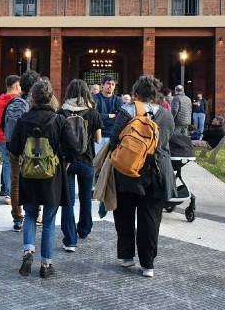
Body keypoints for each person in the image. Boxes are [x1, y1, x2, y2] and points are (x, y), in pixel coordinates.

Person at [110, 75, 175, 278]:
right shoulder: (166, 115)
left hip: (128, 171)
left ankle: (126, 256)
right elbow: (165, 142)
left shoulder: (126, 112)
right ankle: (148, 265)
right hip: (156, 172)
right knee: (150, 219)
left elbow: (113, 140)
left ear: (136, 94)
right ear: (155, 95)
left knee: (124, 214)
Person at [7, 78, 67, 279]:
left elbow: (13, 148)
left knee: (31, 214)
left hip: (29, 175)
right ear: (50, 98)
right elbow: (71, 148)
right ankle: (46, 265)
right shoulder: (59, 120)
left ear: (32, 97)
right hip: (52, 177)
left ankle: (28, 251)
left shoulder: (23, 120)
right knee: (49, 220)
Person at [58, 79, 102, 252]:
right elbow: (98, 138)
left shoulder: (62, 112)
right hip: (87, 160)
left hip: (67, 162)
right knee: (85, 198)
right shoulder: (92, 113)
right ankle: (84, 229)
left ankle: (70, 240)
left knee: (67, 201)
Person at [4, 70, 41, 231]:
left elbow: (2, 124)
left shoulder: (13, 103)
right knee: (35, 180)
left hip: (13, 147)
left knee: (15, 182)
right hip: (32, 148)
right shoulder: (34, 105)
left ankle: (17, 218)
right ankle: (34, 213)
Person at [0, 75, 21, 204]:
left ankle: (6, 191)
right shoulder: (19, 101)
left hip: (1, 136)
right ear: (17, 86)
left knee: (6, 163)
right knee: (16, 164)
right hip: (15, 137)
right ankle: (12, 192)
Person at [95, 75, 122, 146]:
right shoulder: (94, 98)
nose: (110, 86)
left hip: (113, 135)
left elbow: (120, 117)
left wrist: (102, 116)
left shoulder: (118, 100)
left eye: (113, 84)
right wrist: (110, 115)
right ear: (102, 85)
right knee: (97, 157)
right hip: (98, 135)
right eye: (108, 83)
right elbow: (94, 116)